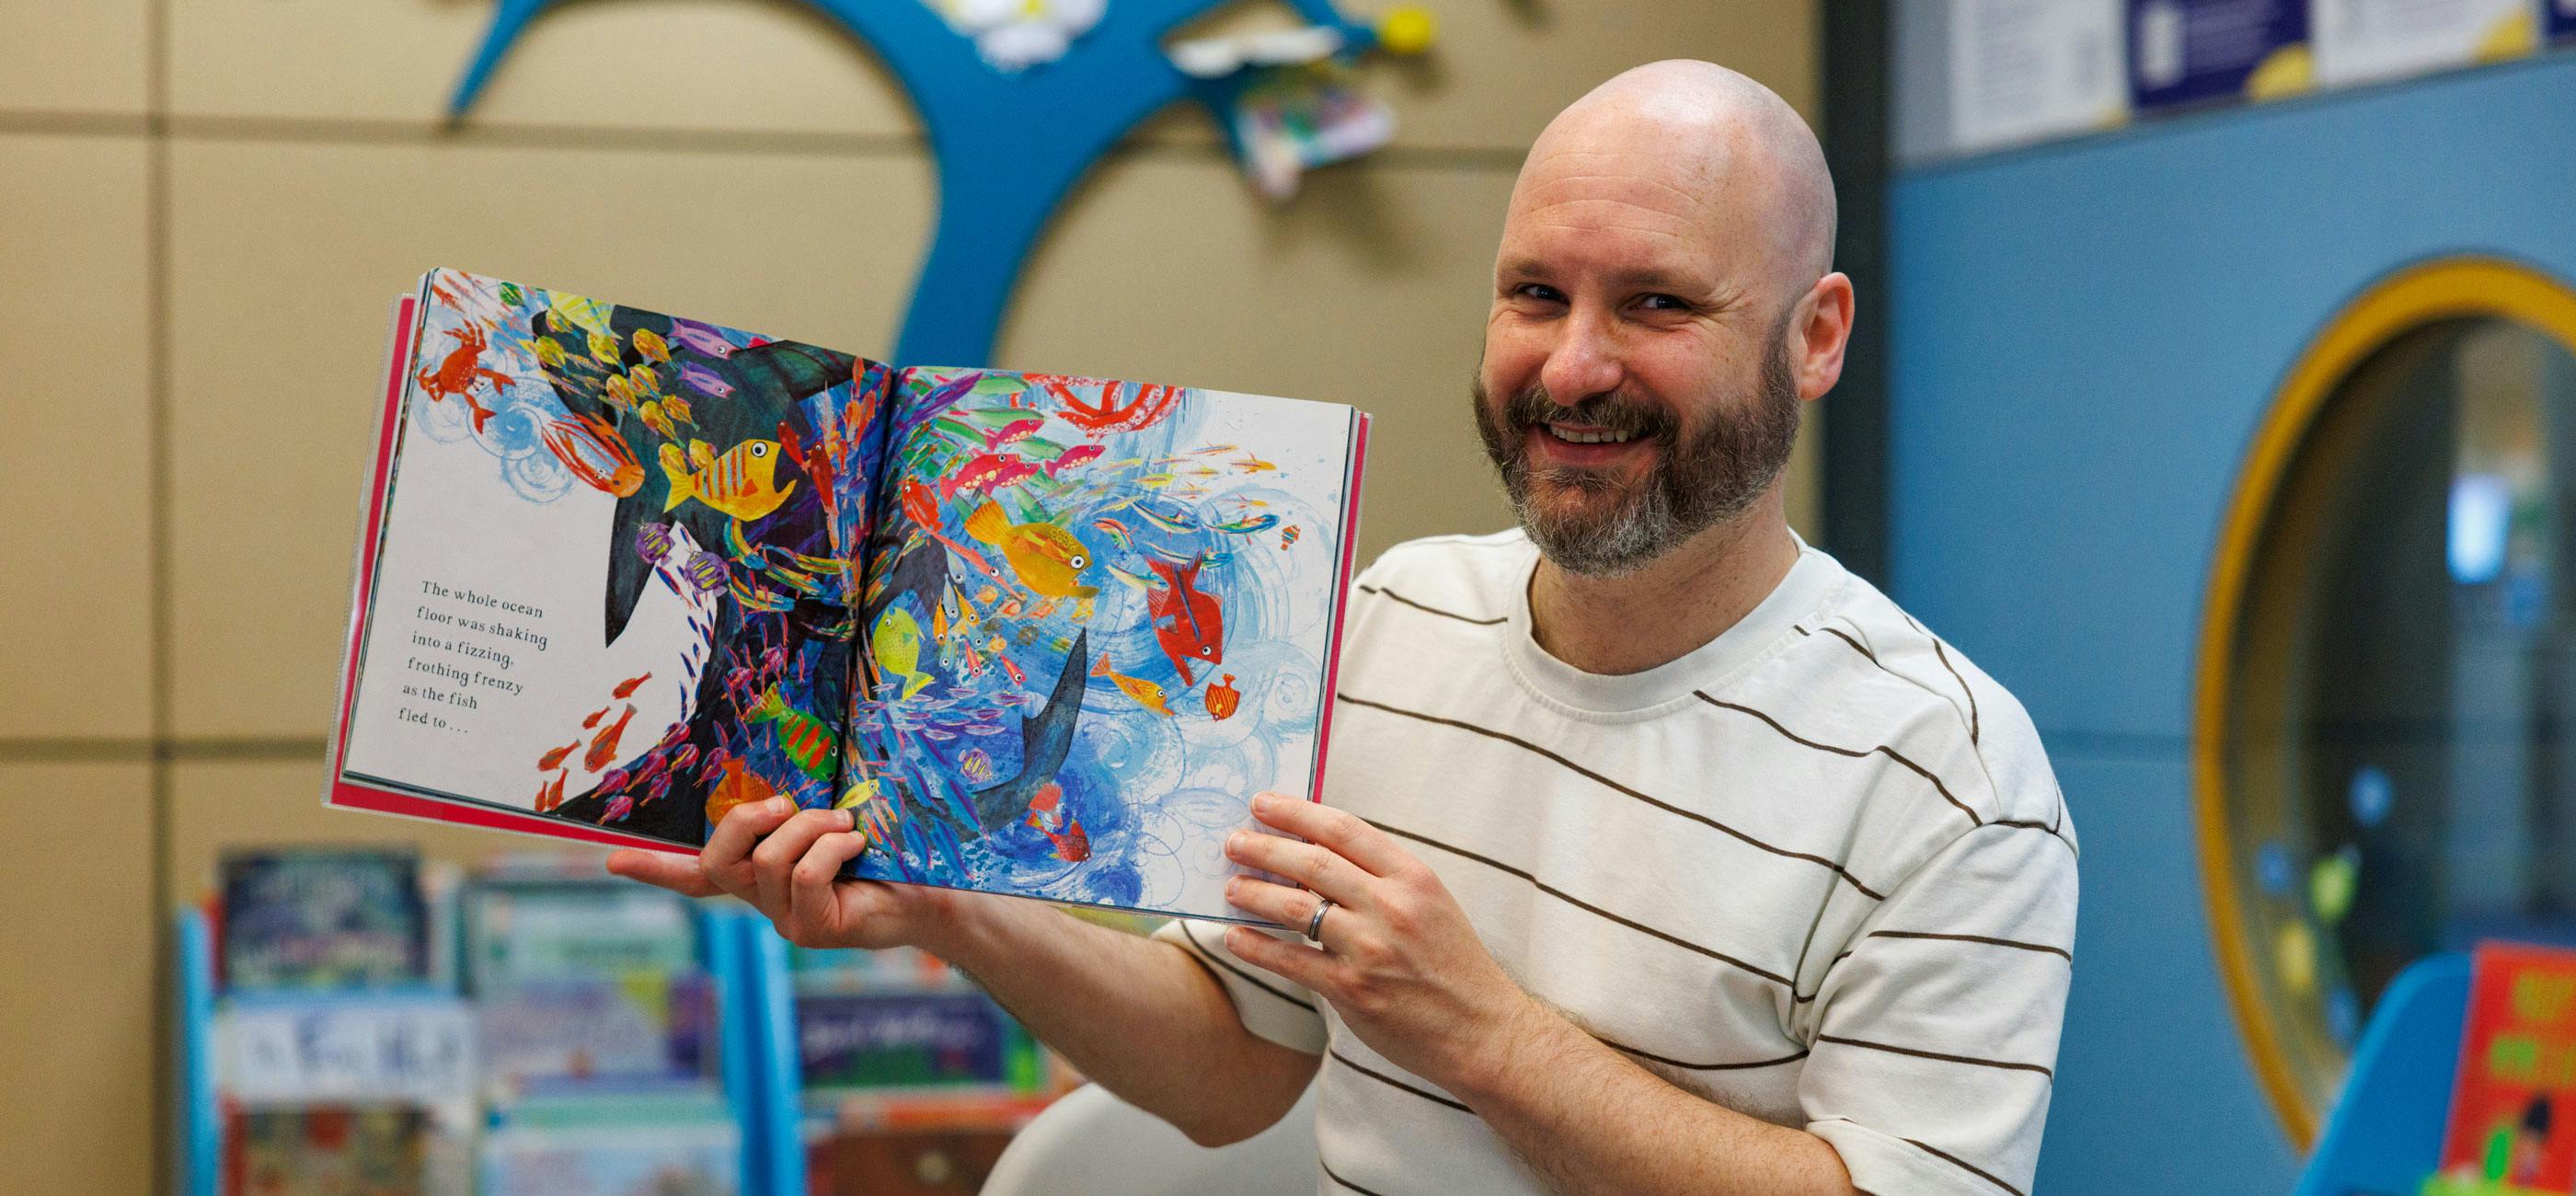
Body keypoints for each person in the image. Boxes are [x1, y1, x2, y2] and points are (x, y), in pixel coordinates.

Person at [613, 60, 2077, 1195]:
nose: (1574, 365)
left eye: (1655, 304)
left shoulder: (1950, 780)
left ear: (1815, 337)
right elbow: (1232, 1064)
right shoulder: (1392, 624)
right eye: (1534, 294)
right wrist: (946, 903)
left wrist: (1482, 1035)